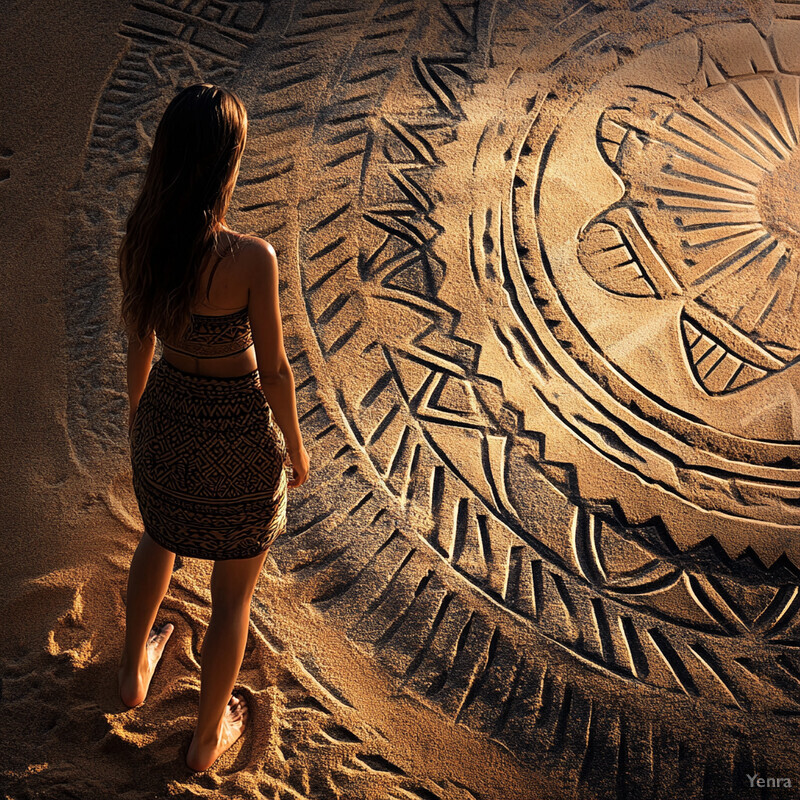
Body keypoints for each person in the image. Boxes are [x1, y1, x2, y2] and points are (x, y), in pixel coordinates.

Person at [115, 83, 309, 772]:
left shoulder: (140, 239)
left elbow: (139, 344)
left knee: (157, 538)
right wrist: (292, 441)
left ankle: (133, 669)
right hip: (237, 436)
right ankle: (202, 742)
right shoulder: (250, 258)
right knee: (232, 597)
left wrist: (142, 423)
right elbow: (278, 371)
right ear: (226, 164)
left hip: (167, 421)